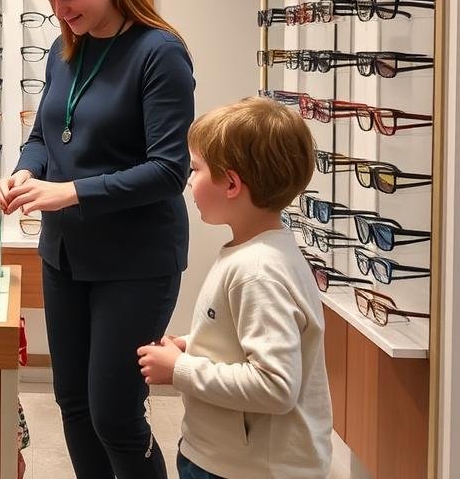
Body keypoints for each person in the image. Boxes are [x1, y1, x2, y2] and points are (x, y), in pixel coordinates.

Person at [0, 0, 195, 479]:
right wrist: (21, 173)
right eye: (51, 0)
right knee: (74, 407)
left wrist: (69, 191)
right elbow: (42, 137)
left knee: (116, 416)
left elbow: (168, 169)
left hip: (134, 262)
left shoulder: (160, 53)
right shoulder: (67, 50)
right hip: (66, 257)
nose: (60, 10)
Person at [137, 97, 333, 479]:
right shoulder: (261, 251)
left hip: (246, 468)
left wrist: (181, 369)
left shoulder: (258, 271)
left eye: (195, 169)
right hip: (223, 457)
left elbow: (275, 385)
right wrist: (192, 344)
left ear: (231, 183)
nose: (190, 180)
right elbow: (240, 336)